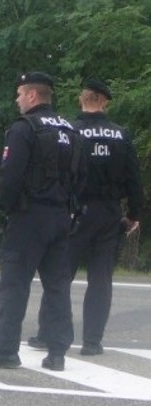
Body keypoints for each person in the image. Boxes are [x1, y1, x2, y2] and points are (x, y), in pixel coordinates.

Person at [28, 78, 143, 356]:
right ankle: (92, 342)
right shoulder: (121, 135)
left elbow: (59, 172)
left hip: (75, 211)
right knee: (101, 280)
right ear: (105, 102)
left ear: (82, 99)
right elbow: (134, 180)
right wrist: (134, 214)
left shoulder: (71, 131)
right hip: (109, 214)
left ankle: (47, 334)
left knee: (60, 275)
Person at [0, 72, 83, 371]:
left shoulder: (24, 128)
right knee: (58, 287)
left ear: (33, 95)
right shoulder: (69, 130)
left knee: (14, 285)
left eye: (20, 93)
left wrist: (7, 208)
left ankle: (6, 351)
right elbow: (80, 177)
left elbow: (10, 176)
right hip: (61, 217)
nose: (18, 99)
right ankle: (57, 353)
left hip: (28, 217)